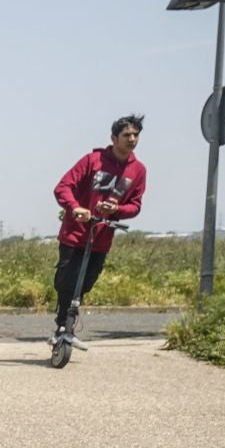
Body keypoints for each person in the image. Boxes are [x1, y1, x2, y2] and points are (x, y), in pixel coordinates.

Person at [51, 115, 147, 340]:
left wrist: (116, 209)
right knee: (67, 282)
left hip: (101, 238)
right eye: (126, 135)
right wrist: (75, 208)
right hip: (75, 234)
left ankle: (68, 322)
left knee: (85, 283)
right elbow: (62, 187)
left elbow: (135, 206)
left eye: (135, 135)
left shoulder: (139, 171)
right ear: (114, 138)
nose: (132, 139)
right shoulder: (92, 160)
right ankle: (64, 326)